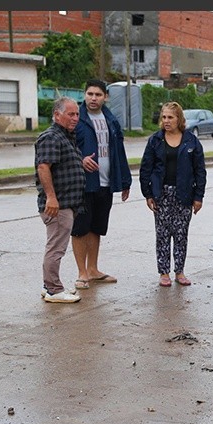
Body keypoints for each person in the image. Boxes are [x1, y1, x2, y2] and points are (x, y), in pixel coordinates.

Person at [71, 79, 132, 290]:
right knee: (80, 228)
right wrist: (80, 159)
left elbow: (119, 152)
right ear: (84, 95)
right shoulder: (76, 119)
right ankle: (81, 273)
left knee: (97, 227)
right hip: (83, 184)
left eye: (98, 94)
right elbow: (63, 145)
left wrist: (125, 180)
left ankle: (93, 269)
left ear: (105, 96)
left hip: (105, 183)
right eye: (90, 94)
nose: (93, 98)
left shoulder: (111, 120)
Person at [139, 102, 207, 287]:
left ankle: (180, 271)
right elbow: (146, 168)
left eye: (171, 117)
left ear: (179, 119)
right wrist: (148, 194)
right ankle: (163, 272)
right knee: (162, 234)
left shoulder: (191, 141)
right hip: (162, 193)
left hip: (184, 194)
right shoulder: (155, 140)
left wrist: (198, 197)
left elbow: (200, 170)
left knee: (180, 234)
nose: (167, 121)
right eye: (164, 117)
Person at [35, 97, 85, 303]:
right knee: (56, 248)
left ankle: (50, 286)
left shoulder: (66, 136)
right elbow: (43, 167)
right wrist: (51, 198)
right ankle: (54, 290)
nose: (75, 118)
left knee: (57, 246)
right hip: (58, 205)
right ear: (57, 115)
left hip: (67, 204)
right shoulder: (51, 137)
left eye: (77, 114)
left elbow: (62, 164)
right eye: (70, 114)